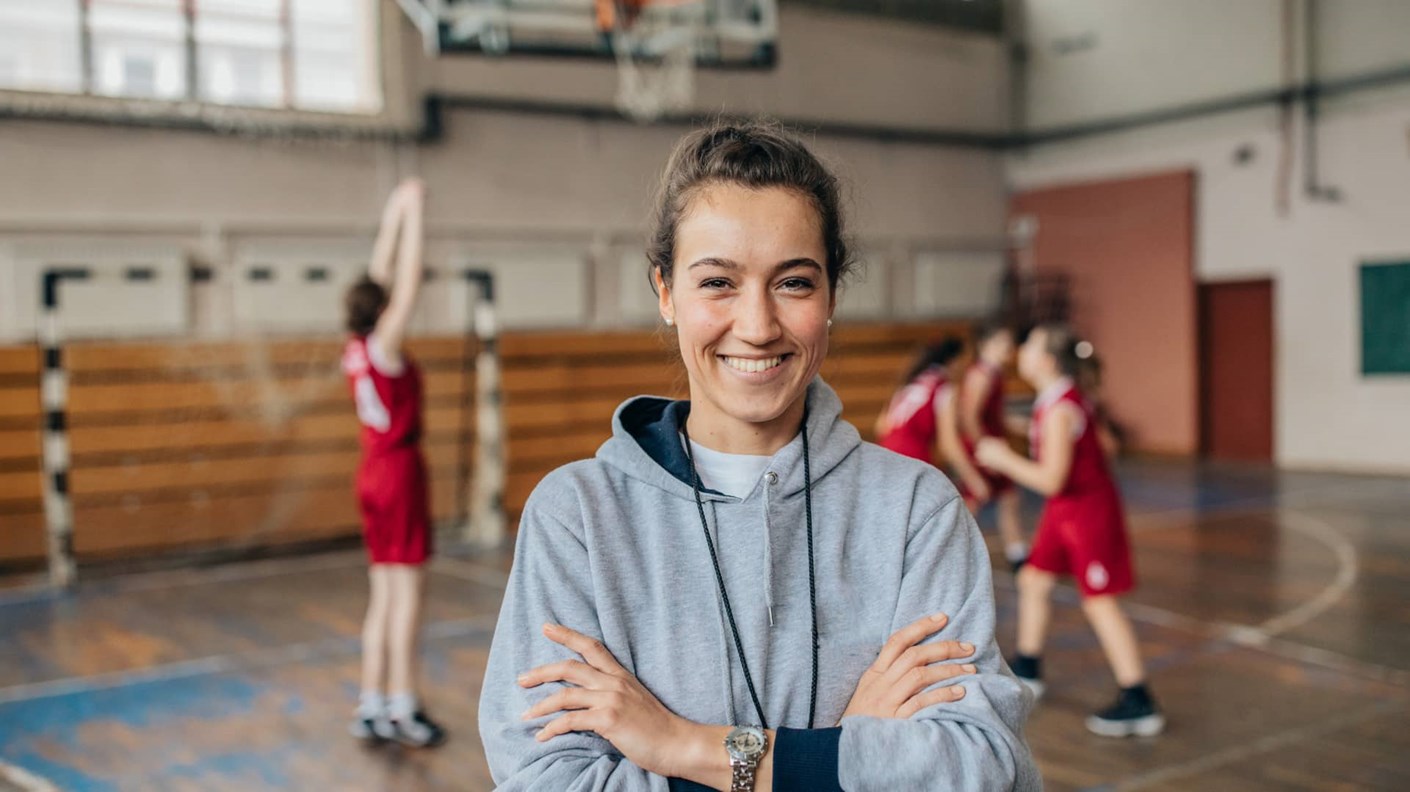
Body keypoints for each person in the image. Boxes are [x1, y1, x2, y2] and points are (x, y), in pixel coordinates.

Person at [479, 121, 1038, 790]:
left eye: (794, 283)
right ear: (665, 292)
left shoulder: (915, 509)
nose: (757, 325)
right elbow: (546, 782)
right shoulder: (578, 517)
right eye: (718, 282)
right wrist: (838, 756)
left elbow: (981, 770)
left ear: (831, 296)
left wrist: (685, 748)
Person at [976, 324, 1165, 738]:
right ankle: (1029, 668)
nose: (1021, 350)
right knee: (1034, 580)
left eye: (1029, 345)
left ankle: (1138, 699)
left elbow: (1050, 480)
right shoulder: (1059, 400)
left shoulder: (1061, 407)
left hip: (1087, 513)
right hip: (1066, 512)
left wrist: (1001, 456)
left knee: (1100, 603)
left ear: (1045, 361)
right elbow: (1103, 446)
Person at [341, 178, 446, 748]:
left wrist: (393, 210)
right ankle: (404, 705)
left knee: (382, 594)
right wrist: (416, 218)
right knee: (406, 596)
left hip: (370, 472)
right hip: (399, 473)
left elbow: (378, 279)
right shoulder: (383, 344)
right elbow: (401, 284)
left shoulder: (355, 348)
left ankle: (371, 701)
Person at [874, 337, 992, 504]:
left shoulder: (911, 382)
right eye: (965, 360)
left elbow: (881, 426)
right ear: (954, 361)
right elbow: (949, 443)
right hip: (912, 463)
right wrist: (973, 478)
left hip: (883, 459)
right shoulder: (944, 387)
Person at [960, 319, 1028, 570]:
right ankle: (955, 551)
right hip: (984, 449)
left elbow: (993, 415)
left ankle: (1017, 553)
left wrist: (1017, 425)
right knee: (974, 499)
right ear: (985, 345)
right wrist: (982, 448)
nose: (1008, 347)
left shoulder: (994, 374)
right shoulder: (981, 375)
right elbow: (969, 416)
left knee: (1008, 498)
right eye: (1002, 342)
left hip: (993, 447)